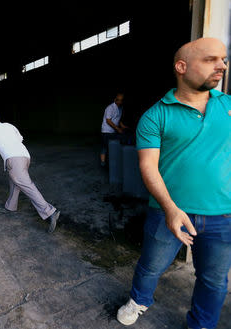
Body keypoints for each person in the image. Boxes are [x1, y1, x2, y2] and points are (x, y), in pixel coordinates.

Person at [116, 38, 231, 329]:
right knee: (151, 266)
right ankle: (139, 300)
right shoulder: (155, 115)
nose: (221, 66)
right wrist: (169, 208)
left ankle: (201, 324)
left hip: (223, 215)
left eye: (223, 59)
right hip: (167, 212)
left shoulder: (229, 107)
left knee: (214, 279)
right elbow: (147, 166)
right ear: (182, 67)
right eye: (210, 59)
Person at [0, 114, 60, 233]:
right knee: (15, 182)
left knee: (26, 185)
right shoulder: (9, 125)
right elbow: (20, 139)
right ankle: (10, 207)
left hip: (14, 159)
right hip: (25, 156)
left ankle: (50, 211)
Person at [100, 93, 128, 167]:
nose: (119, 101)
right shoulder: (110, 108)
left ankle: (114, 161)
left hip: (113, 131)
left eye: (121, 100)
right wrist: (118, 129)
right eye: (118, 100)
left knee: (114, 145)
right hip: (106, 131)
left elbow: (118, 119)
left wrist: (122, 126)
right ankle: (103, 163)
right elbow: (108, 120)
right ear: (115, 99)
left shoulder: (120, 108)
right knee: (105, 146)